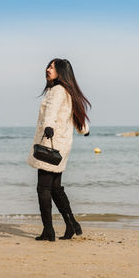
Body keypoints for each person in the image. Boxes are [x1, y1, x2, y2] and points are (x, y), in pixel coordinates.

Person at [27, 58, 91, 241]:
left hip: (50, 143)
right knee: (55, 188)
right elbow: (75, 116)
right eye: (48, 66)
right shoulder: (68, 92)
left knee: (43, 188)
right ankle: (72, 225)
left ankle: (48, 231)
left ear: (61, 72)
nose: (47, 69)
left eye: (52, 67)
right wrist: (84, 130)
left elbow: (51, 113)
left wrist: (48, 126)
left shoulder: (57, 91)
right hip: (62, 146)